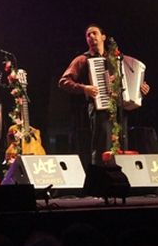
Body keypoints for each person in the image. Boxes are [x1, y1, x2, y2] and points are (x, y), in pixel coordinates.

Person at [58, 24, 150, 165]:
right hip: (99, 109)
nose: (91, 37)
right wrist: (84, 88)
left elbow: (128, 82)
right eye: (88, 35)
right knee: (102, 146)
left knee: (122, 145)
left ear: (103, 37)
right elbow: (63, 81)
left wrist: (140, 89)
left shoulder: (117, 58)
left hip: (120, 109)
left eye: (94, 33)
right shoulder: (83, 59)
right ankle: (100, 178)